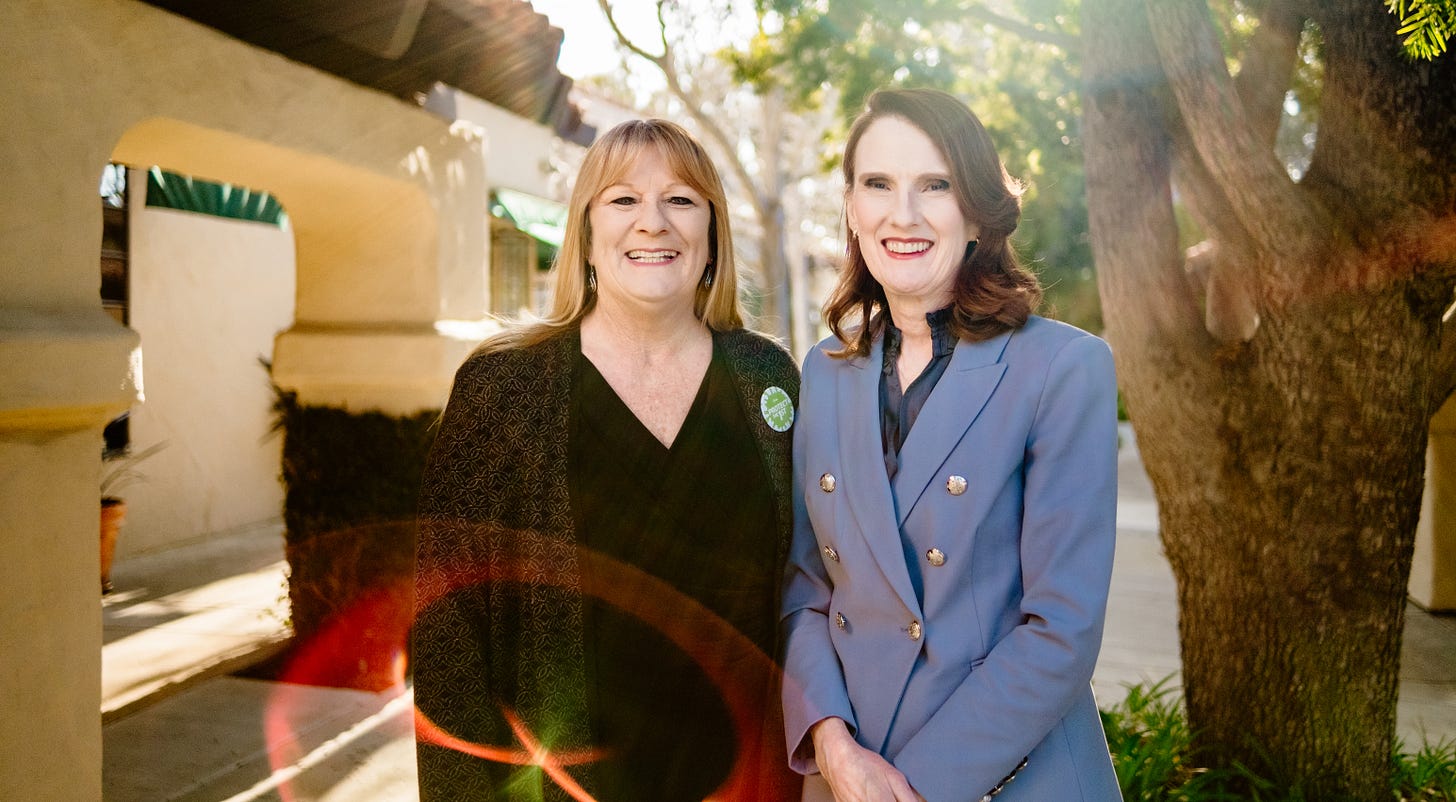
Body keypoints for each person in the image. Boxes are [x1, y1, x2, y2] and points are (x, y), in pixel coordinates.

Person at [414, 119, 801, 801]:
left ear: (712, 235)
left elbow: (813, 589)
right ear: (586, 235)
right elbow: (450, 636)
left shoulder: (769, 379)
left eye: (681, 200)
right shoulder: (503, 388)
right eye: (622, 200)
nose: (653, 223)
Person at [780, 88, 1123, 802]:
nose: (902, 214)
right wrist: (835, 749)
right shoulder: (825, 371)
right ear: (851, 209)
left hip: (1006, 778)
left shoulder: (1063, 368)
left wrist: (906, 788)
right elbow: (807, 590)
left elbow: (1061, 631)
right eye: (878, 185)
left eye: (934, 185)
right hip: (848, 776)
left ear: (976, 211)